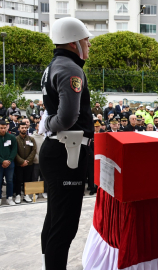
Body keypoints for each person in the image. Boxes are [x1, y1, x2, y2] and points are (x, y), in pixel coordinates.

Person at [39, 17, 94, 269]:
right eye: (86, 40)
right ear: (73, 43)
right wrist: (49, 123)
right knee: (65, 224)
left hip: (59, 149)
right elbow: (67, 117)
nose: (88, 45)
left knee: (54, 217)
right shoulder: (71, 69)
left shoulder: (54, 65)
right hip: (67, 150)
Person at [14, 123, 37, 203]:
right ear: (19, 129)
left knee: (27, 179)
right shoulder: (16, 139)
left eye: (25, 127)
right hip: (18, 164)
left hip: (28, 164)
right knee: (18, 179)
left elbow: (34, 150)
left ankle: (26, 195)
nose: (24, 129)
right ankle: (18, 195)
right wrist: (21, 161)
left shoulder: (31, 139)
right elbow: (14, 152)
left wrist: (27, 161)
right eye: (22, 127)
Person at [0, 120, 17, 205]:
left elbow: (14, 150)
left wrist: (9, 160)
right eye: (1, 128)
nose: (3, 130)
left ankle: (9, 197)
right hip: (0, 163)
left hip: (10, 163)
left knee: (10, 180)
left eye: (4, 128)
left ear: (7, 127)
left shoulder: (11, 137)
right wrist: (2, 161)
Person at [31, 122, 46, 198]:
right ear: (36, 127)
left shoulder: (45, 136)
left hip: (44, 161)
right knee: (35, 177)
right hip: (36, 160)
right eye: (39, 126)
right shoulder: (32, 137)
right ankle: (35, 193)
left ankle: (44, 191)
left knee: (44, 177)